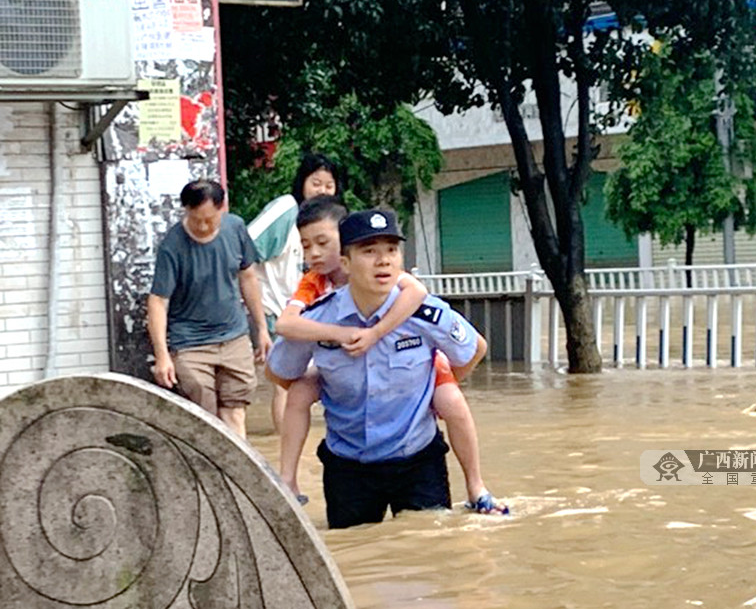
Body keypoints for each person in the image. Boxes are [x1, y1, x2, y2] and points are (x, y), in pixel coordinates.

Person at [274, 196, 507, 514]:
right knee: (356, 553)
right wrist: (324, 384)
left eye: (391, 251)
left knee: (432, 547)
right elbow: (279, 372)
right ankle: (286, 480)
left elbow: (473, 349)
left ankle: (476, 487)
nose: (382, 261)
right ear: (345, 262)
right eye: (369, 251)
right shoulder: (317, 316)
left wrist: (433, 388)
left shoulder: (423, 313)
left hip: (418, 461)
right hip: (348, 466)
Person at [147, 179, 272, 439]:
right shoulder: (173, 245)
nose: (203, 227)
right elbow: (158, 301)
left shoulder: (235, 228)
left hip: (233, 336)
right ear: (186, 211)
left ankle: (237, 475)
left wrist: (261, 328)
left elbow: (248, 277)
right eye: (196, 220)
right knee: (205, 416)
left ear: (222, 209)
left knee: (235, 411)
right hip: (190, 343)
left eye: (210, 220)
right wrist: (162, 356)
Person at [247, 153, 339, 432]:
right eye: (316, 183)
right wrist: (260, 319)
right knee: (288, 383)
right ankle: (288, 451)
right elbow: (245, 248)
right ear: (302, 183)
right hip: (276, 312)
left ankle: (296, 452)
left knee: (306, 382)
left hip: (309, 315)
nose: (322, 190)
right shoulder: (286, 210)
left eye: (329, 185)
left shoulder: (331, 220)